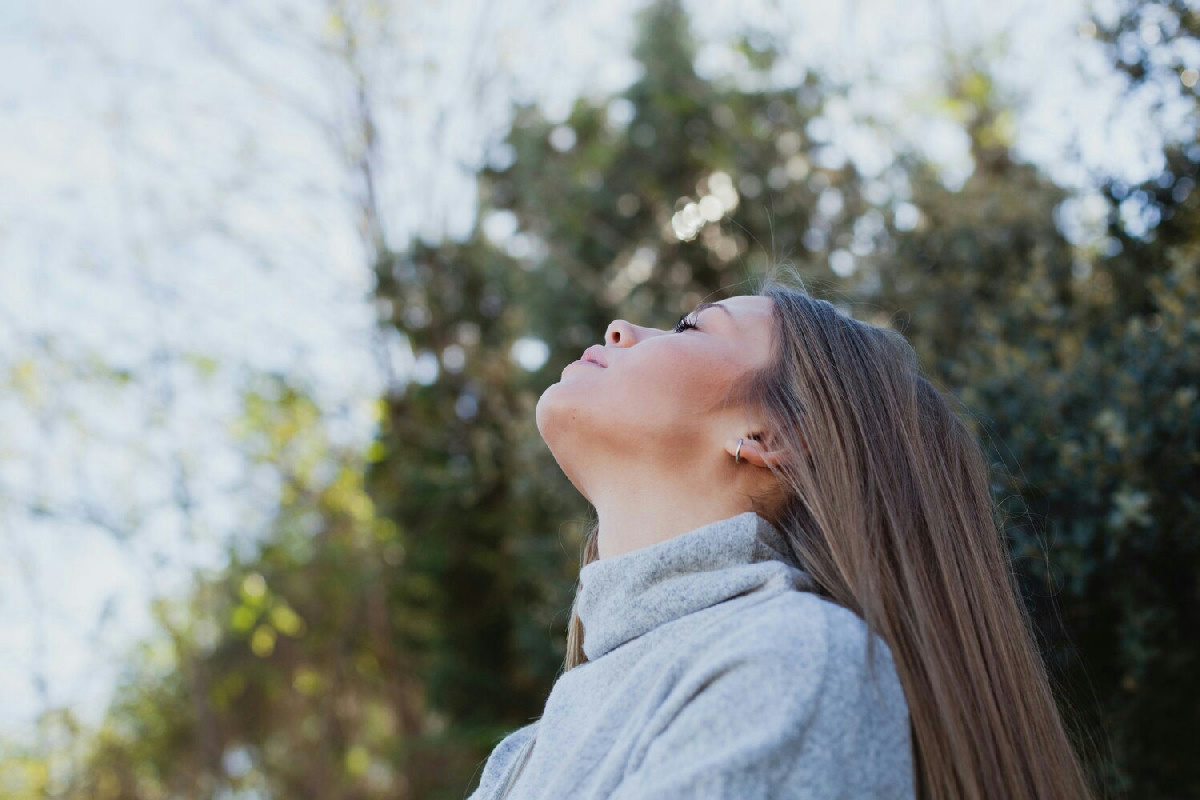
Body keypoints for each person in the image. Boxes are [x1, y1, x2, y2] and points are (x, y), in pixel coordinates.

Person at [466, 266, 1096, 799]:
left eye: (690, 326)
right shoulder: (522, 753)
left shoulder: (795, 660)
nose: (620, 330)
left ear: (771, 437)